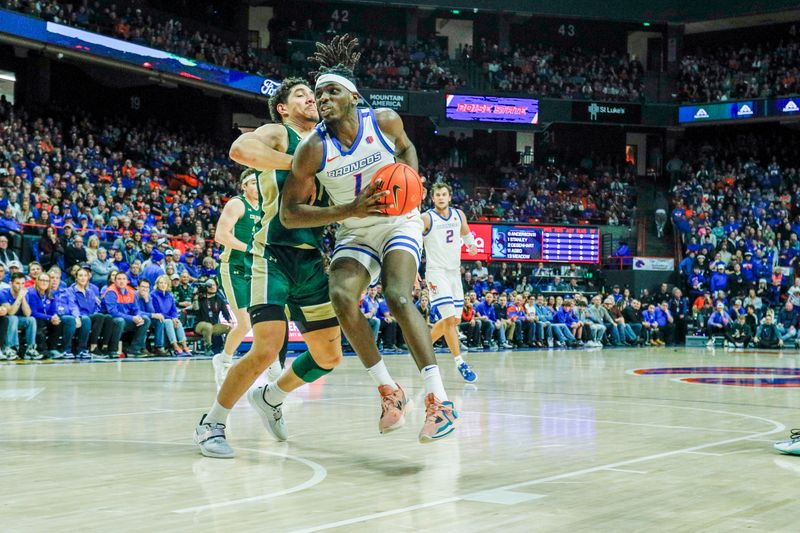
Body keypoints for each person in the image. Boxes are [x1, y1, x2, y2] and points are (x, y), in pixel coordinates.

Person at [280, 35, 457, 443]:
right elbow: (290, 214)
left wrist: (410, 188)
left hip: (398, 221)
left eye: (332, 91)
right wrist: (351, 210)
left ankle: (439, 401)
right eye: (319, 93)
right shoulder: (312, 149)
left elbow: (407, 149)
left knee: (397, 296)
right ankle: (389, 391)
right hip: (355, 226)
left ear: (353, 96)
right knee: (342, 295)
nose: (323, 98)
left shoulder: (384, 121)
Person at [194, 76, 343, 458]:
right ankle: (212, 423)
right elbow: (240, 149)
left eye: (313, 95)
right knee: (266, 347)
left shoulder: (329, 144)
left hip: (312, 260)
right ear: (283, 107)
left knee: (328, 356)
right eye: (300, 95)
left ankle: (272, 396)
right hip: (272, 253)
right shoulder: (280, 132)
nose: (310, 98)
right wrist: (299, 165)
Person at [212, 169, 265, 385]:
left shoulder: (266, 206)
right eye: (251, 183)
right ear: (243, 186)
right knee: (244, 324)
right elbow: (220, 235)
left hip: (256, 269)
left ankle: (272, 372)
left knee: (265, 322)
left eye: (258, 182)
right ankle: (223, 362)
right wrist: (250, 248)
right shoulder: (237, 204)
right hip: (233, 268)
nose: (256, 186)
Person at [422, 182, 478, 382]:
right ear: (433, 198)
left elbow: (466, 231)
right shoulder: (426, 218)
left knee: (454, 321)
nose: (441, 198)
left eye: (444, 194)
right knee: (448, 320)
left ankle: (421, 347)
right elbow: (413, 242)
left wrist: (471, 245)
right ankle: (460, 362)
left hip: (454, 273)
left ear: (450, 196)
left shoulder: (458, 214)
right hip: (436, 272)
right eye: (437, 195)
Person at [70, 266, 119, 358]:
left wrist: (96, 312)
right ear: (76, 278)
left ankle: (105, 347)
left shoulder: (90, 292)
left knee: (108, 317)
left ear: (88, 277)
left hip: (90, 316)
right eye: (80, 275)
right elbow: (73, 306)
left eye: (85, 275)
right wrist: (77, 316)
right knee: (98, 317)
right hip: (79, 316)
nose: (83, 278)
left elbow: (96, 306)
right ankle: (92, 347)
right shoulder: (70, 290)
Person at [102, 271, 151, 357]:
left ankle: (134, 349)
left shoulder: (131, 292)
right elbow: (113, 312)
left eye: (124, 279)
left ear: (127, 281)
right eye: (119, 279)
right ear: (115, 281)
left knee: (145, 320)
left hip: (126, 319)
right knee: (120, 321)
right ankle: (112, 349)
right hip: (110, 319)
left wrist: (138, 317)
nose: (121, 281)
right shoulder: (111, 292)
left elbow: (136, 310)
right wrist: (132, 318)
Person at [0, 272, 38, 360]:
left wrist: (23, 298)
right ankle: (10, 348)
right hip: (6, 320)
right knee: (13, 318)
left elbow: (28, 314)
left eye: (23, 283)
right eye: (17, 283)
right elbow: (10, 312)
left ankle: (30, 348)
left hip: (18, 320)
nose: (21, 286)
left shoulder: (24, 294)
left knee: (31, 320)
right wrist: (19, 298)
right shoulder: (3, 293)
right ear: (11, 283)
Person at [152, 274, 191, 355]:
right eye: (161, 283)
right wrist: (171, 318)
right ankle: (175, 346)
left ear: (168, 285)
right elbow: (157, 311)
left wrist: (175, 318)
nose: (163, 285)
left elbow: (174, 310)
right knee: (169, 322)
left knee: (177, 322)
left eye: (165, 283)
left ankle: (184, 345)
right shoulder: (153, 295)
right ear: (157, 284)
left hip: (169, 317)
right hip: (159, 318)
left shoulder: (170, 295)